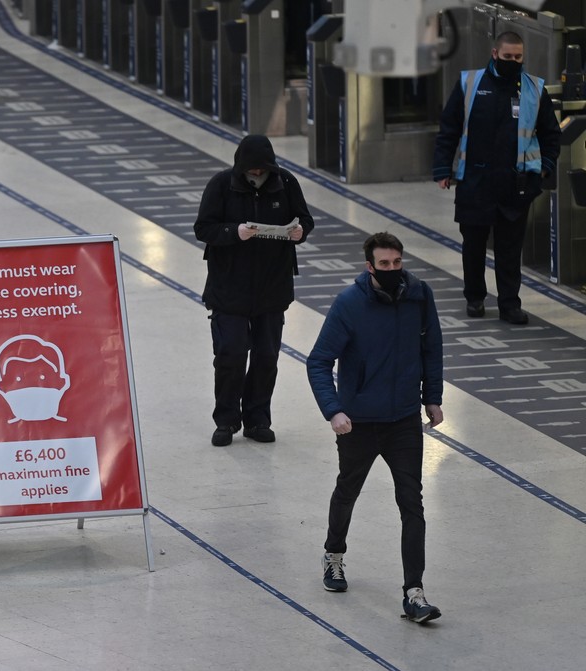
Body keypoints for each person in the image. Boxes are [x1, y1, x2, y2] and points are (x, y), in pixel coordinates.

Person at [306, 232, 444, 624]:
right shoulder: (350, 304)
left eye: (397, 263)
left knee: (411, 503)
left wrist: (432, 397)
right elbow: (318, 361)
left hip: (402, 419)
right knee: (348, 489)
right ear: (370, 266)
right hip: (360, 422)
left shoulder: (420, 296)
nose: (392, 270)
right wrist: (333, 410)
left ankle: (414, 592)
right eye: (384, 264)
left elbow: (431, 348)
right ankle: (334, 555)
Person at [433, 30, 561, 325]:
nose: (513, 62)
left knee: (509, 249)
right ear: (494, 54)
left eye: (518, 57)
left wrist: (544, 168)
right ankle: (475, 297)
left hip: (515, 184)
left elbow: (551, 135)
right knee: (473, 245)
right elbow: (449, 128)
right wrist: (442, 169)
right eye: (507, 57)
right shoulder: (470, 83)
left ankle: (509, 304)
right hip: (475, 181)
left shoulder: (534, 89)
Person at [194, 134, 314, 446]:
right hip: (228, 288)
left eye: (263, 171)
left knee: (266, 356)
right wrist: (234, 232)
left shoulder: (285, 183)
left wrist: (300, 231)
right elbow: (203, 228)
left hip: (272, 289)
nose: (257, 176)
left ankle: (258, 419)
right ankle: (226, 421)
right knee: (231, 353)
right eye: (252, 171)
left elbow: (305, 220)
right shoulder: (221, 185)